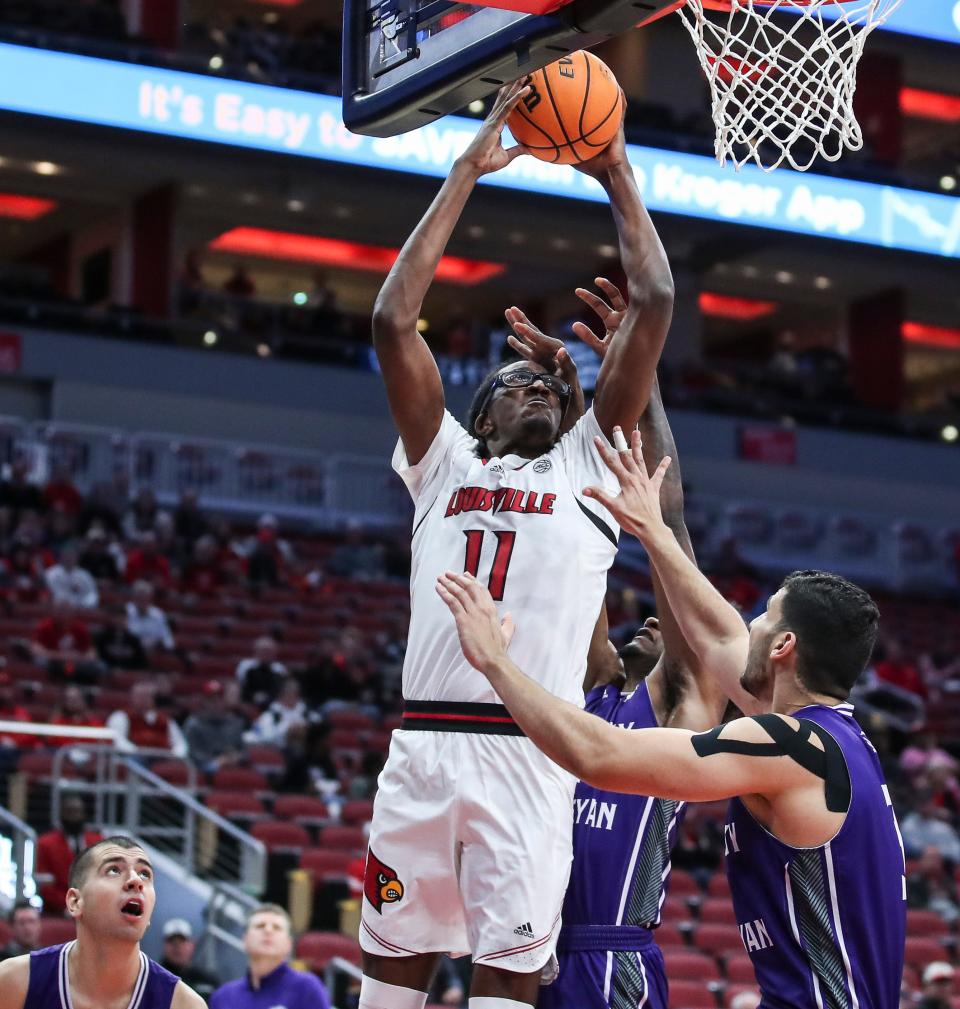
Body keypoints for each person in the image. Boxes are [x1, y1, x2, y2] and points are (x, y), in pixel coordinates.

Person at [361, 79, 673, 1009]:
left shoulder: (587, 463)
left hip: (530, 760)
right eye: (515, 384)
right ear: (479, 410)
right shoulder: (442, 460)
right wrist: (467, 169)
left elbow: (653, 301)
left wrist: (613, 164)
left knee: (504, 990)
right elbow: (390, 320)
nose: (537, 390)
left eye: (550, 388)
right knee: (388, 991)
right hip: (422, 746)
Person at [436, 432, 906, 1009]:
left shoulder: (789, 744)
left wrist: (494, 661)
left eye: (762, 617)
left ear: (783, 646)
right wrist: (653, 530)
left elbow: (601, 757)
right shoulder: (827, 738)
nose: (747, 625)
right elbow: (718, 634)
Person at [509, 295, 728, 1009]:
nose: (650, 628)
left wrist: (641, 377)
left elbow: (664, 514)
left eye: (664, 628)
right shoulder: (584, 689)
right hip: (528, 950)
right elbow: (576, 535)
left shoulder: (674, 705)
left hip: (612, 960)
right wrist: (571, 390)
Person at [0, 836, 205, 1008]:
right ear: (75, 901)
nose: (135, 880)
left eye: (145, 874)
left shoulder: (183, 1004)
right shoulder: (14, 981)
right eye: (114, 870)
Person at [209, 904, 330, 1009]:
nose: (268, 930)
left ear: (289, 944)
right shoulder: (223, 996)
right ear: (245, 940)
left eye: (277, 927)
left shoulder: (307, 988)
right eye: (260, 926)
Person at [35, 793, 104, 913]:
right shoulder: (45, 843)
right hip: (57, 911)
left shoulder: (98, 841)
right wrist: (68, 906)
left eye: (77, 811)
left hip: (94, 909)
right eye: (69, 811)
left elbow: (104, 878)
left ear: (83, 814)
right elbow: (45, 885)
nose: (74, 816)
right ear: (62, 814)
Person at [182, 680, 247, 774]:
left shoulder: (235, 723)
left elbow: (244, 753)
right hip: (203, 770)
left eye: (219, 699)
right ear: (204, 701)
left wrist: (234, 758)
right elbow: (193, 754)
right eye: (211, 700)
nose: (216, 704)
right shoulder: (194, 724)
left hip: (232, 767)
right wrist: (218, 761)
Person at [107, 682, 189, 757]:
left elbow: (180, 743)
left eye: (147, 696)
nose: (144, 700)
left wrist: (174, 755)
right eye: (140, 696)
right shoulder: (121, 716)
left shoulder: (165, 719)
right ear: (132, 697)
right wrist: (138, 752)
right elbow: (117, 740)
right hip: (134, 757)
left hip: (163, 757)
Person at [160, 918, 220, 1001]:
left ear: (192, 945)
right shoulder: (154, 979)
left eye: (182, 941)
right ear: (164, 946)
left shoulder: (208, 981)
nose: (177, 947)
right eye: (171, 941)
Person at [235, 636, 288, 709]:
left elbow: (283, 690)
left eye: (269, 651)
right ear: (256, 650)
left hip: (274, 704)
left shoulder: (279, 668)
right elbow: (240, 686)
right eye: (263, 650)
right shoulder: (246, 666)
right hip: (249, 703)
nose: (266, 653)